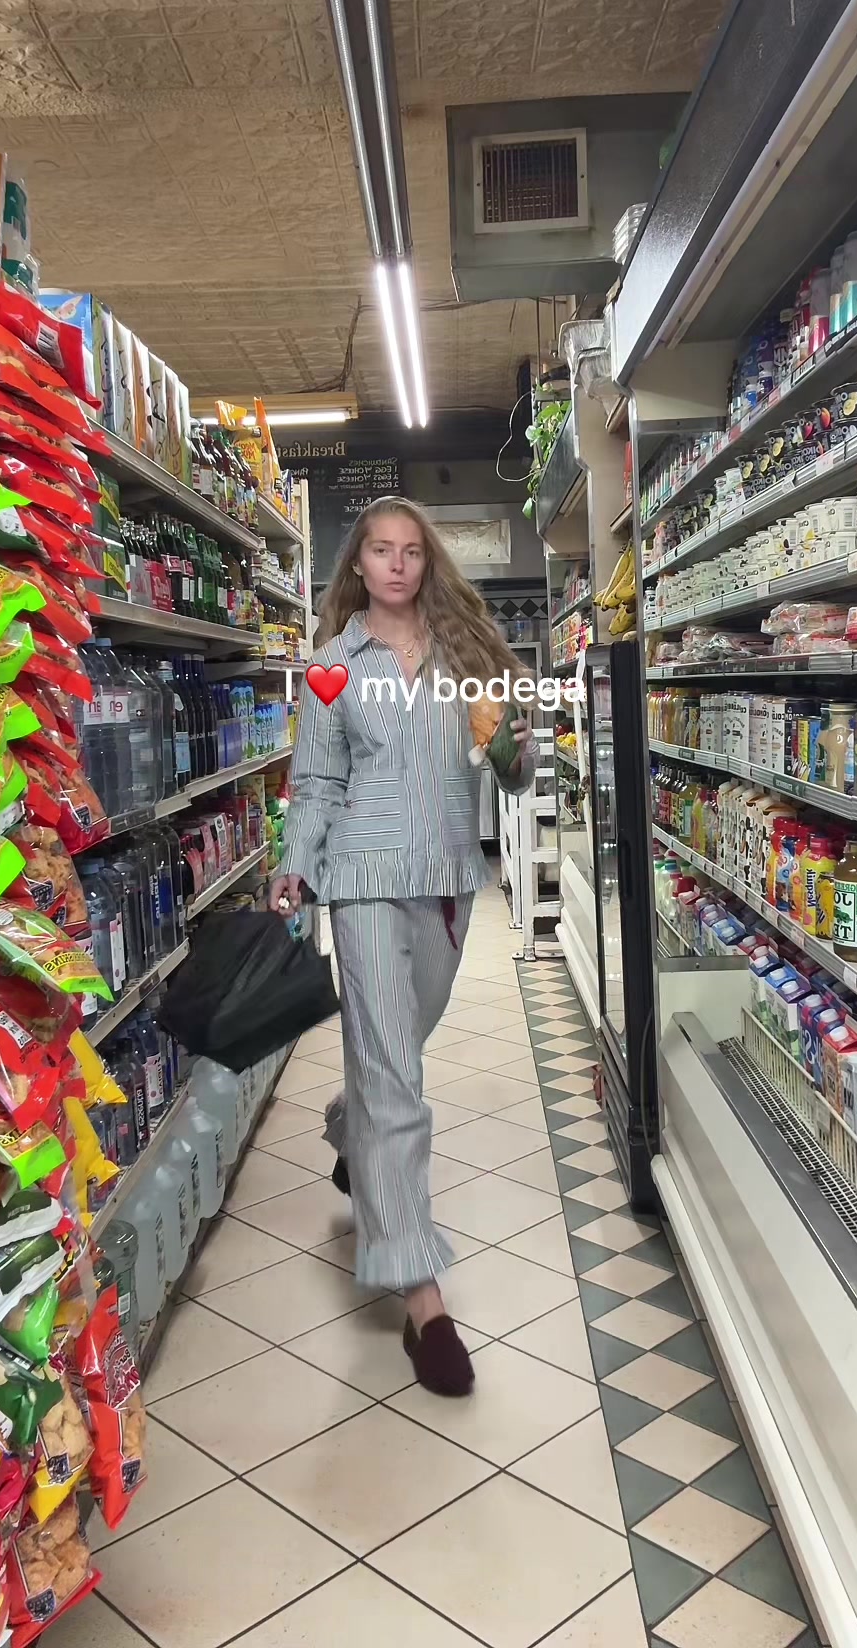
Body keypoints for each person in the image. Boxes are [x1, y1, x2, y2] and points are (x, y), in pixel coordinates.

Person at [268, 497, 536, 1396]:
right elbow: (316, 782)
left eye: (411, 551)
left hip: (449, 876)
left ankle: (352, 1133)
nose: (395, 564)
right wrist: (295, 863)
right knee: (396, 1079)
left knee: (394, 1054)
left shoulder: (467, 657)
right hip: (363, 878)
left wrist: (509, 747)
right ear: (358, 562)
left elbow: (517, 772)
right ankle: (423, 1300)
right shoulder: (333, 668)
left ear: (427, 563)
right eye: (380, 550)